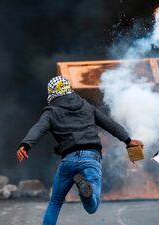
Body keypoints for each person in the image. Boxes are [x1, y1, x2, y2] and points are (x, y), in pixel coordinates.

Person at [16, 76, 143, 225]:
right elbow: (109, 124)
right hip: (91, 158)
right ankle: (86, 194)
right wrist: (128, 140)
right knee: (92, 207)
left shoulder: (51, 112)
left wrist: (26, 145)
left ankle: (82, 190)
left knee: (55, 203)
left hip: (68, 160)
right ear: (69, 89)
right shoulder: (86, 106)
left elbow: (38, 128)